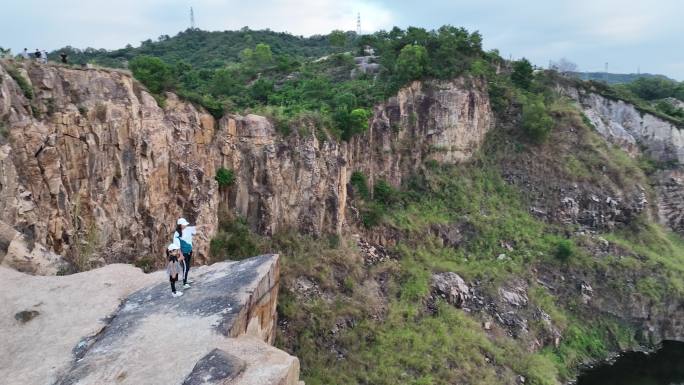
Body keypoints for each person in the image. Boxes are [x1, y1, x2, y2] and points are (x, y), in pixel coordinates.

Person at [173, 218, 198, 289]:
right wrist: (181, 255)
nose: (185, 226)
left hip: (189, 251)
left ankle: (186, 279)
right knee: (186, 267)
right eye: (184, 225)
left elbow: (196, 227)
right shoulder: (177, 234)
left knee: (188, 267)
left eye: (185, 224)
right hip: (183, 253)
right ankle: (184, 283)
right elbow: (177, 246)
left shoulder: (188, 229)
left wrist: (205, 225)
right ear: (180, 225)